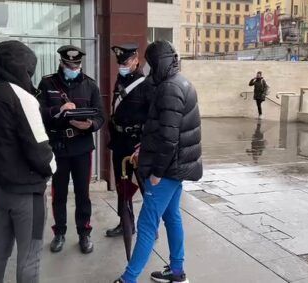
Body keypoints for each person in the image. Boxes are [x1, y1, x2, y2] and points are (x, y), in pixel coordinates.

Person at [114, 40, 203, 283]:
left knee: (146, 225)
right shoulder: (181, 83)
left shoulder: (170, 88)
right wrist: (145, 147)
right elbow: (166, 130)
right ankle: (176, 272)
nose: (150, 69)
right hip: (175, 168)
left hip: (166, 170)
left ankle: (128, 279)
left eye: (152, 64)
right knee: (172, 217)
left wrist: (157, 173)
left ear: (158, 62)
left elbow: (169, 139)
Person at [0, 40, 56, 283]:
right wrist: (51, 168)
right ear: (22, 68)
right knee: (30, 256)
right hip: (26, 193)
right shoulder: (23, 97)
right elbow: (39, 149)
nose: (30, 76)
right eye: (29, 70)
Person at [36, 45, 105, 254]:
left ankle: (84, 233)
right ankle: (59, 232)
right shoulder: (48, 83)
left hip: (82, 146)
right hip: (58, 147)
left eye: (76, 65)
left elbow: (100, 116)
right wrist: (59, 109)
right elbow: (38, 113)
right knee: (59, 194)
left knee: (83, 193)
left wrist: (90, 125)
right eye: (69, 65)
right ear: (61, 63)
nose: (73, 68)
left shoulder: (90, 85)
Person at [105, 43, 154, 237]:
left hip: (137, 144)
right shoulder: (120, 81)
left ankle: (150, 225)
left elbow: (152, 119)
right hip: (119, 143)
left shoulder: (145, 85)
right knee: (122, 185)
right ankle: (126, 223)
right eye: (120, 63)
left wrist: (144, 144)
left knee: (144, 186)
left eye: (125, 62)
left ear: (136, 60)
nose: (122, 66)